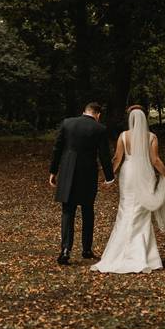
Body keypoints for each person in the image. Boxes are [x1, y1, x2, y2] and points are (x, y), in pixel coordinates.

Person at [91, 105, 165, 274]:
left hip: (128, 173)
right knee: (142, 211)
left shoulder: (123, 136)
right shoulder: (151, 137)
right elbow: (155, 160)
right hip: (145, 173)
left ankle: (118, 253)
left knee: (125, 209)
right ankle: (145, 257)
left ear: (131, 120)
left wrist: (109, 177)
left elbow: (118, 158)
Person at [48, 102, 114, 265]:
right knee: (87, 210)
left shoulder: (67, 123)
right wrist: (109, 176)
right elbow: (104, 154)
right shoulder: (100, 129)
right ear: (98, 114)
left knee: (67, 211)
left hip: (68, 171)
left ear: (84, 111)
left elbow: (57, 148)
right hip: (88, 173)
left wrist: (53, 171)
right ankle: (86, 249)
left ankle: (65, 250)